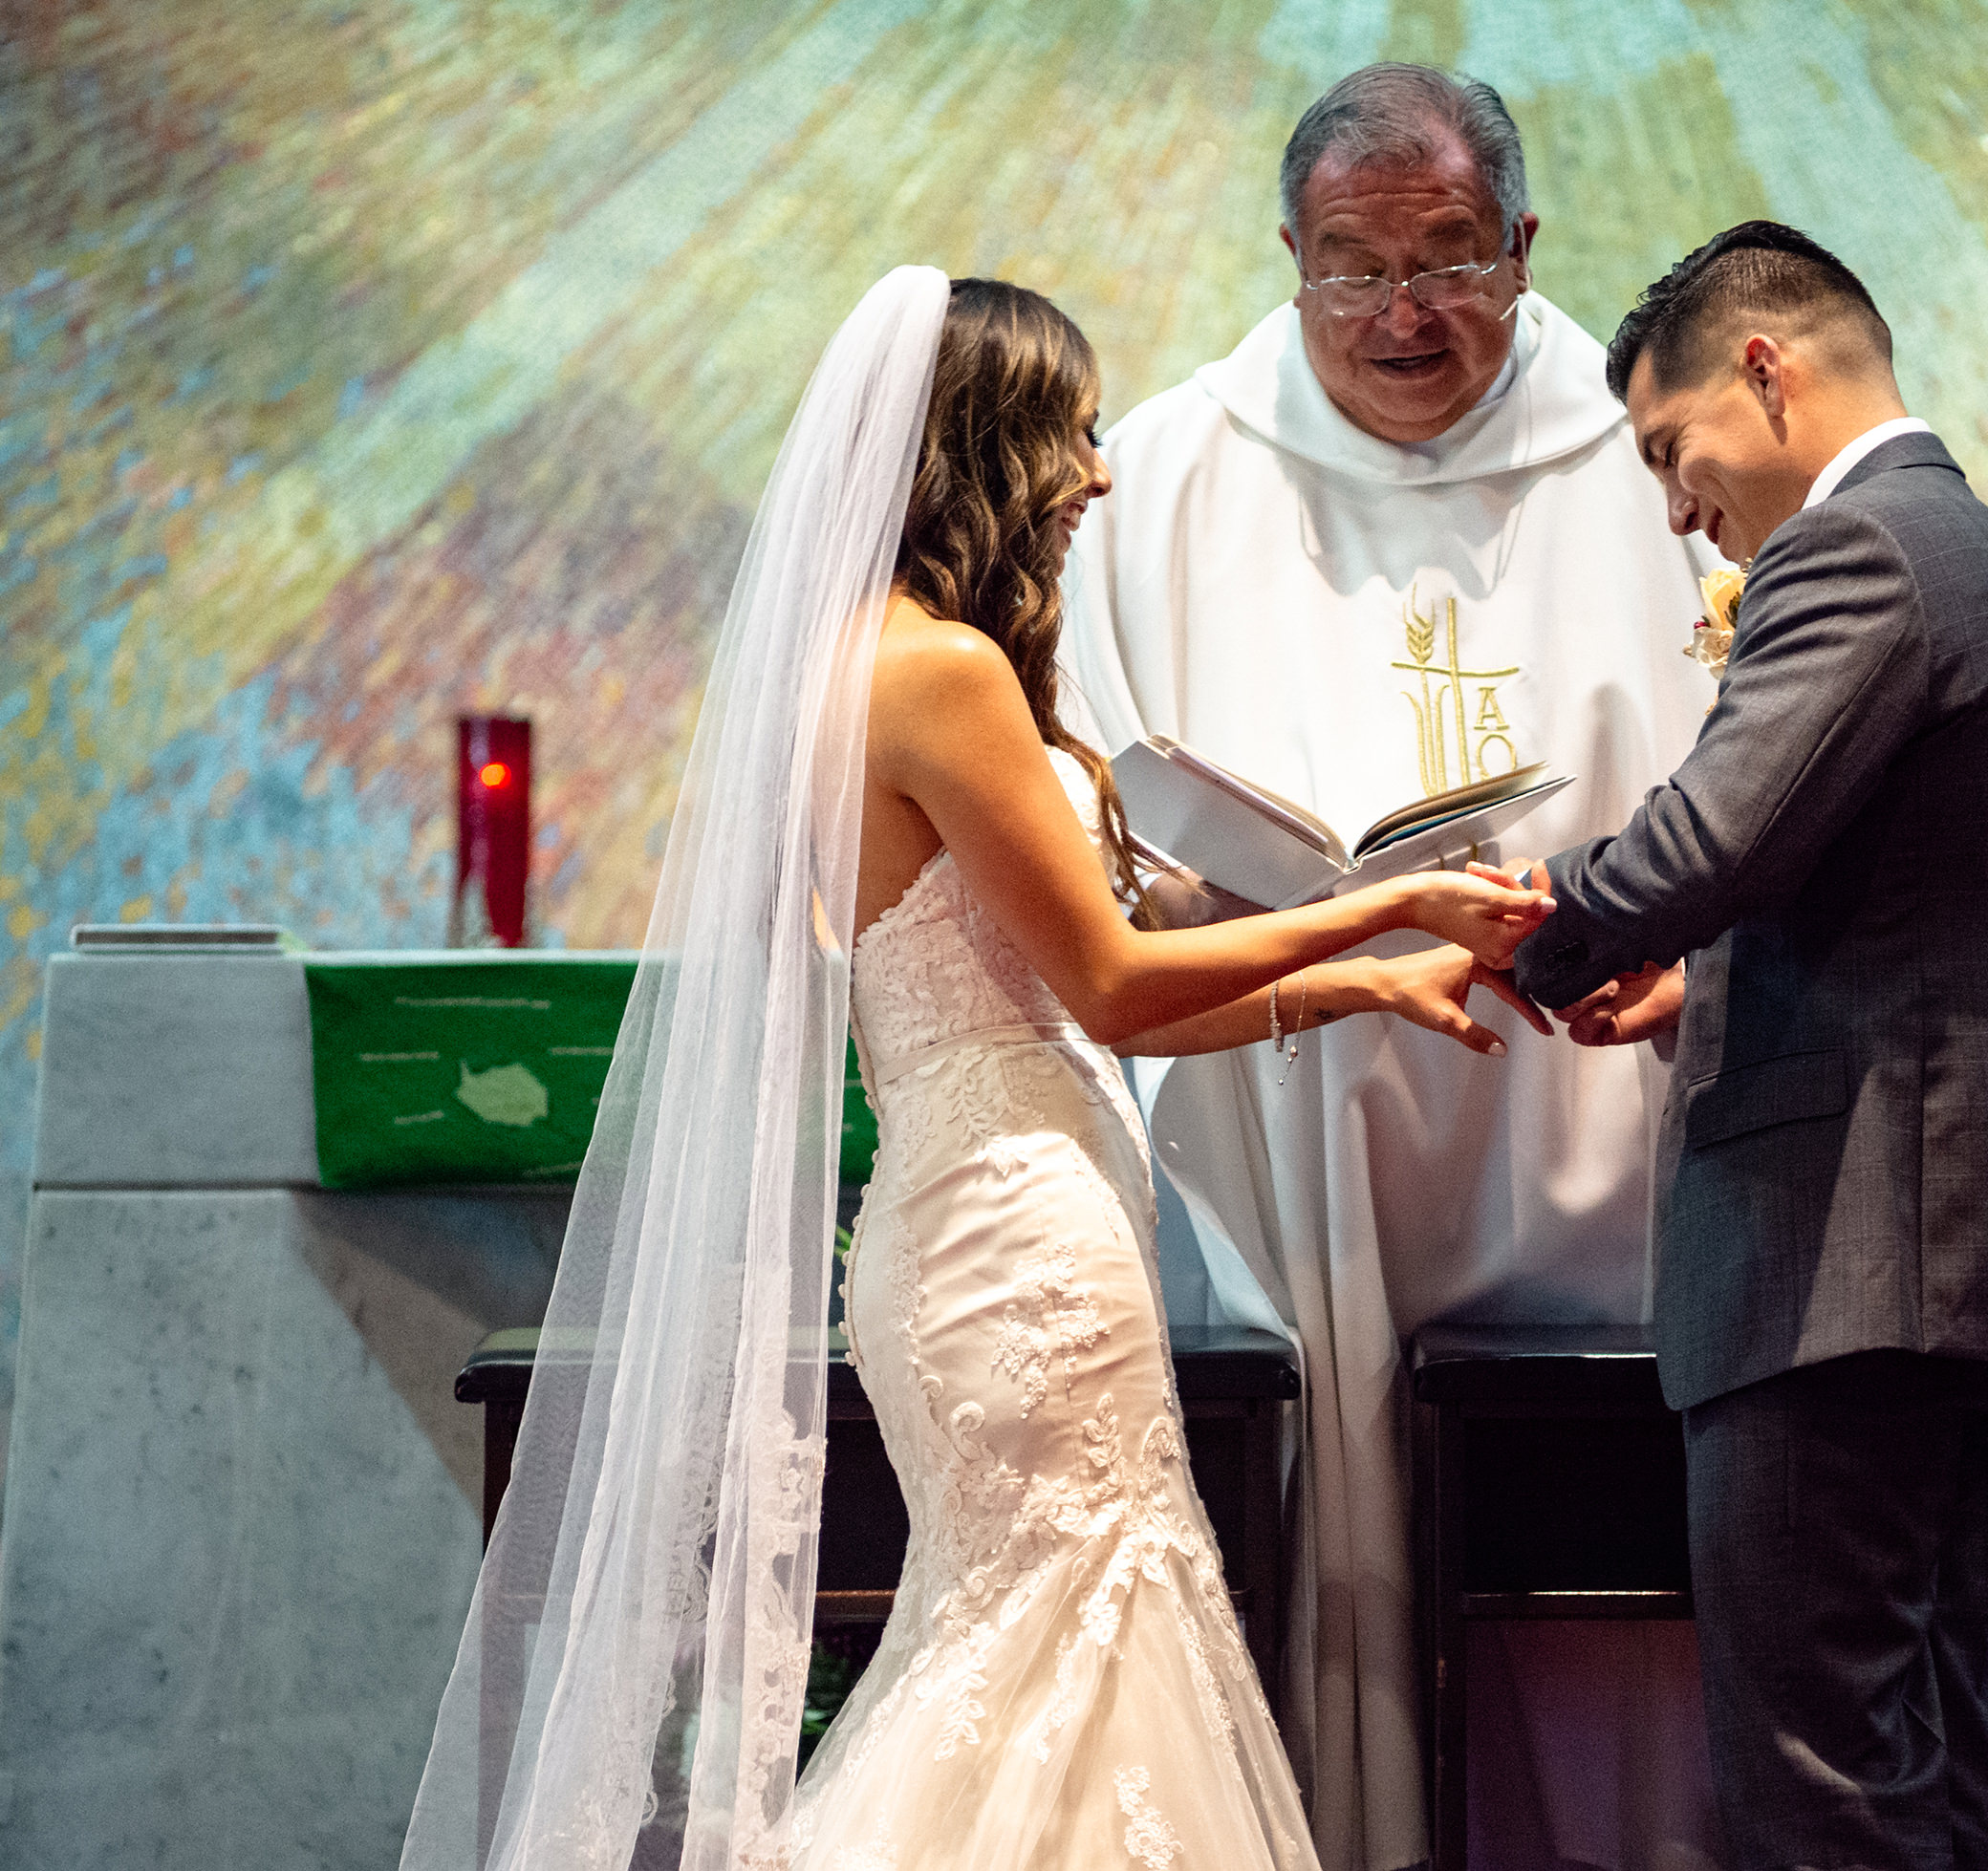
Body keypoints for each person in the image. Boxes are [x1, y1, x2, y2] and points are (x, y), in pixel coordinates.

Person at [400, 268, 1550, 1871]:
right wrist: (1391, 898)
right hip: (1019, 1245)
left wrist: (1364, 982)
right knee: (1062, 1635)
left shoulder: (859, 660)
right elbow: (1115, 982)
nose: (1095, 473)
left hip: (978, 1211)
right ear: (986, 444)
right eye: (1071, 433)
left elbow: (1065, 1005)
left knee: (1025, 1646)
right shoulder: (938, 670)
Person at [1058, 65, 1720, 1865]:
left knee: (1599, 1572)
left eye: (1447, 260)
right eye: (1353, 270)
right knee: (1308, 1529)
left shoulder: (1652, 450)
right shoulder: (1171, 475)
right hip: (1282, 1121)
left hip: (1592, 1102)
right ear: (1288, 259)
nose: (1403, 314)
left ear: (1521, 245)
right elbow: (1106, 810)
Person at [1508, 222, 1988, 1870]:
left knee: (1815, 1786)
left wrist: (1523, 919)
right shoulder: (1963, 546)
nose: (1678, 508)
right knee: (1916, 1766)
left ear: (1764, 372)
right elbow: (1914, 896)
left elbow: (1706, 840)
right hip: (1927, 1254)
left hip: (1844, 1268)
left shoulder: (1861, 553)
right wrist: (1699, 994)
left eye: (1668, 453)